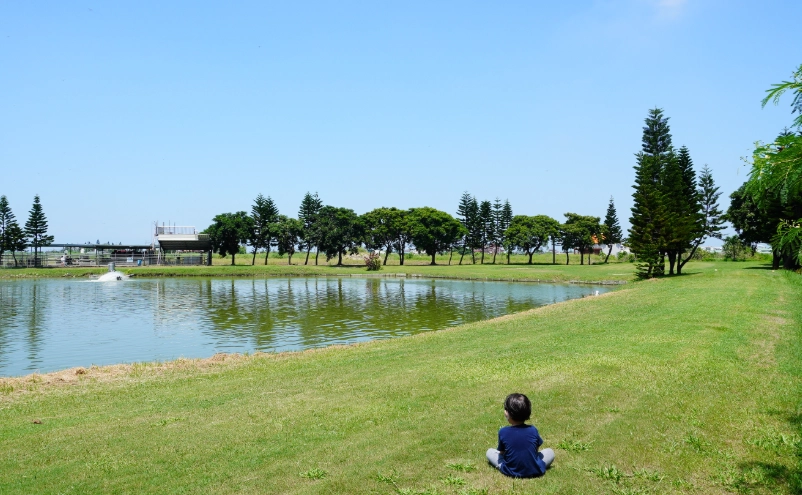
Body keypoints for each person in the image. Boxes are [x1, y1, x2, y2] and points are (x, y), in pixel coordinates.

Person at [486, 393, 554, 478]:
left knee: (490, 452)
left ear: (508, 414)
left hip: (510, 470)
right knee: (550, 452)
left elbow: (502, 452)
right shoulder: (533, 429)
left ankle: (510, 467)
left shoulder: (503, 431)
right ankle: (533, 465)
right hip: (535, 470)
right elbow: (535, 450)